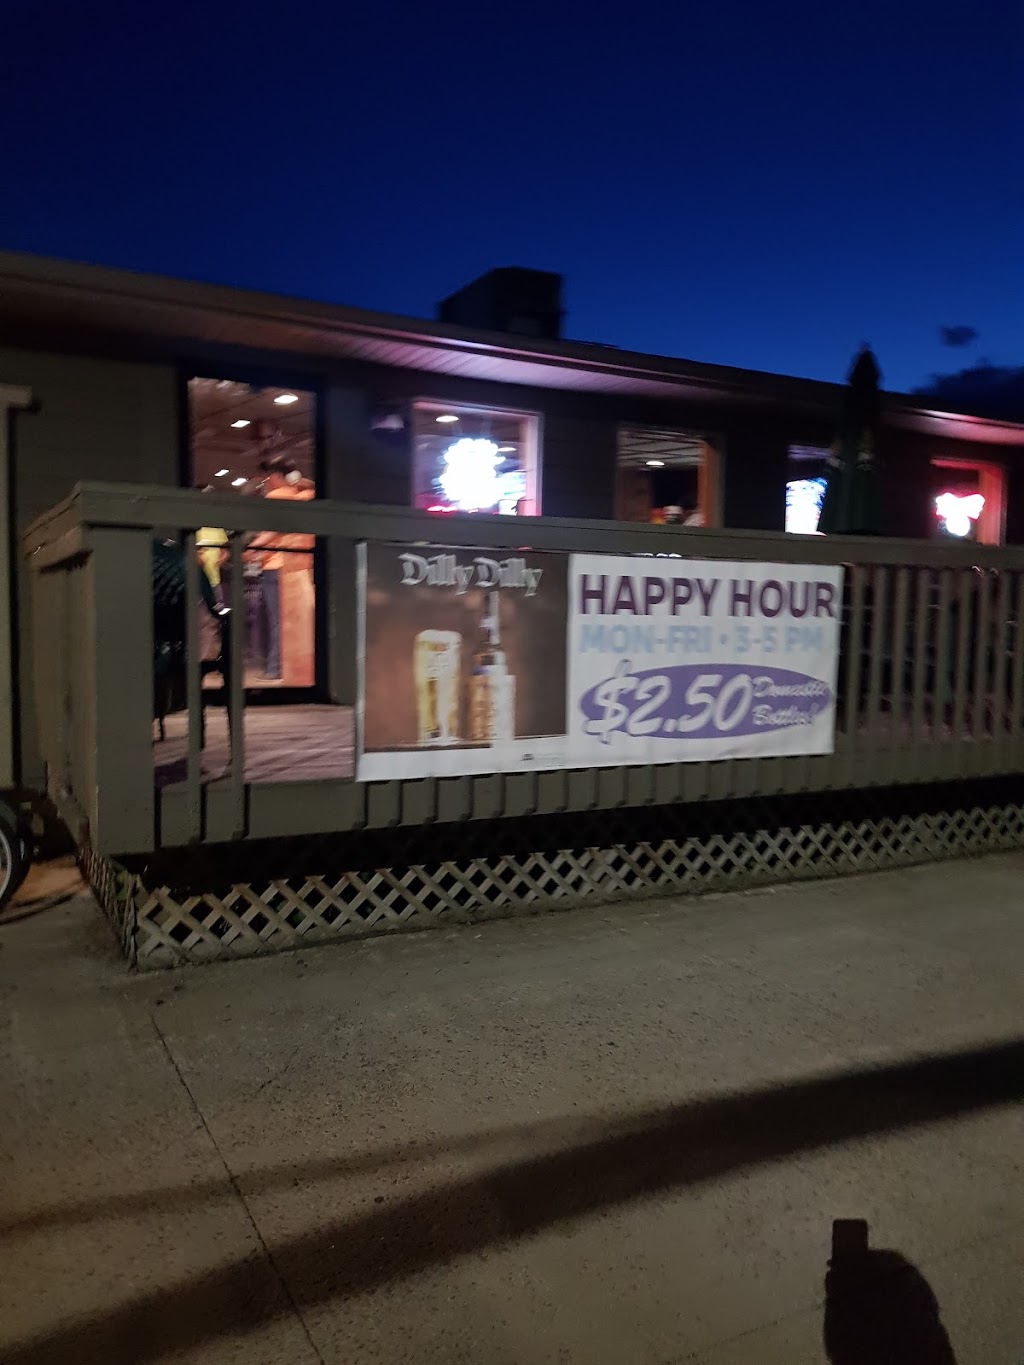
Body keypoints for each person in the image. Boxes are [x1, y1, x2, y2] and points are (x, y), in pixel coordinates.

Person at [248, 456, 315, 686]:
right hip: (294, 567)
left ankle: (275, 668)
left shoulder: (277, 496)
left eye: (266, 478)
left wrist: (250, 549)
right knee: (288, 622)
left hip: (275, 567)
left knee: (275, 622)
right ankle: (283, 667)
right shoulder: (300, 496)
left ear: (276, 476)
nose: (265, 483)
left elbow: (272, 532)